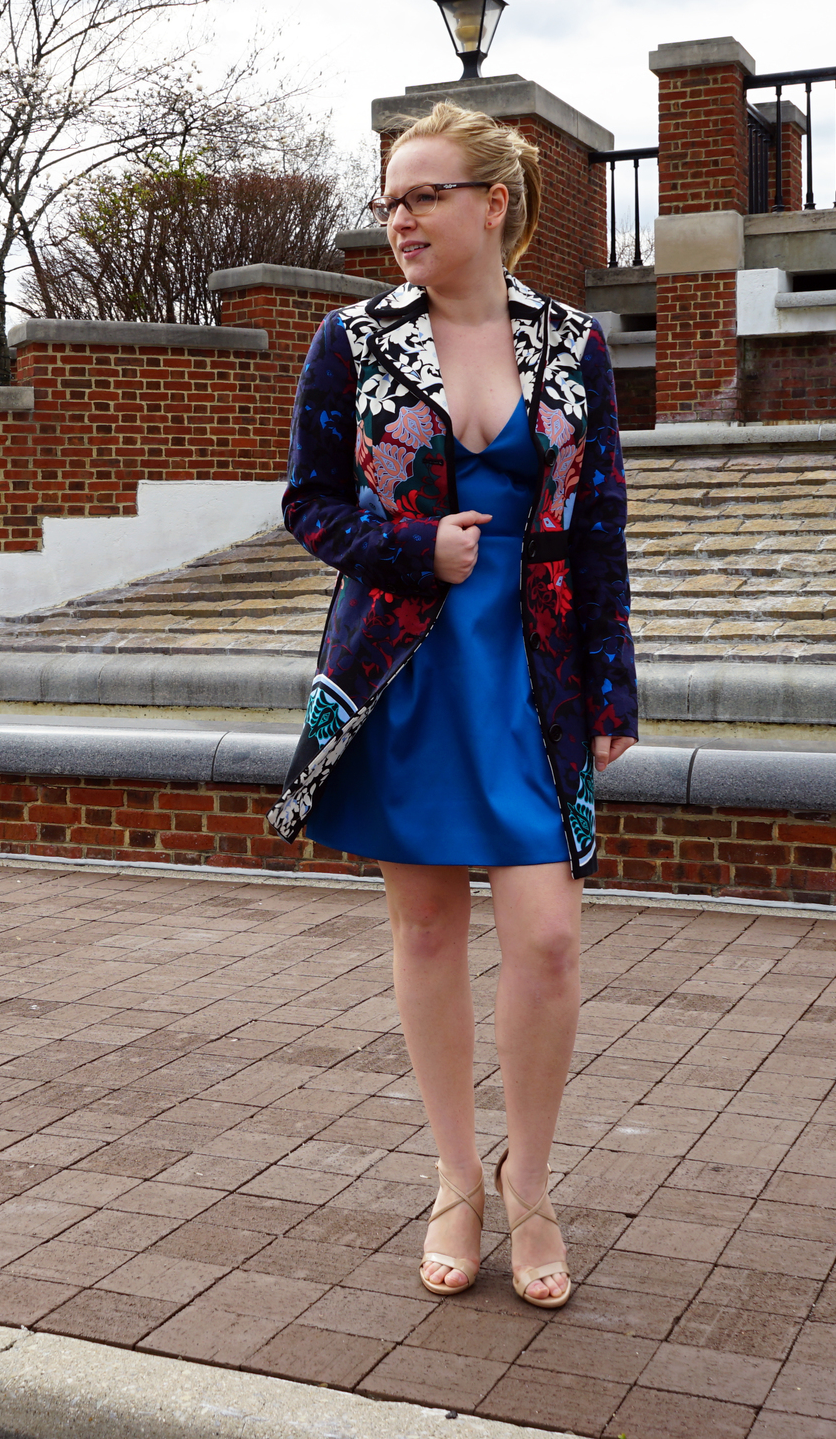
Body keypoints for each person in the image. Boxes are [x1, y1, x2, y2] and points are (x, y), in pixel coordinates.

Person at [269, 102, 637, 1310]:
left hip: (528, 679)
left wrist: (610, 680)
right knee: (425, 929)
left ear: (493, 202)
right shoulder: (352, 338)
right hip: (403, 671)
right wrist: (413, 547)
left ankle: (527, 1181)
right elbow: (311, 505)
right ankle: (451, 1179)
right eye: (388, 199)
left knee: (545, 934)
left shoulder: (572, 342)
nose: (400, 218)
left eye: (423, 195)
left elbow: (601, 533)